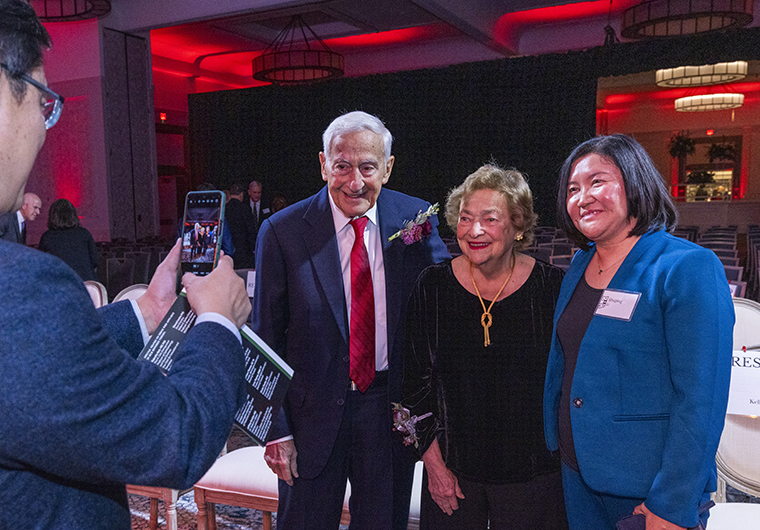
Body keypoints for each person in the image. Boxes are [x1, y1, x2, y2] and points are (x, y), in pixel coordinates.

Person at [0, 2, 252, 528]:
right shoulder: (21, 289)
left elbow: (40, 367)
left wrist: (152, 306)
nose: (46, 130)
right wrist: (218, 321)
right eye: (45, 103)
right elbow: (177, 437)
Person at [253, 110, 450, 530]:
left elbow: (444, 301)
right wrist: (275, 429)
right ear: (323, 164)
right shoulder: (282, 232)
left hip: (388, 408)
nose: (354, 182)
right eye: (342, 166)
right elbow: (265, 338)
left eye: (367, 167)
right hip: (310, 414)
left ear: (388, 167)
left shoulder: (414, 219)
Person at [543, 134, 734, 530]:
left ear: (635, 182)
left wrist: (673, 504)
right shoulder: (579, 266)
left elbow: (702, 399)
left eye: (598, 182)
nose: (583, 197)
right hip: (576, 474)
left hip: (647, 492)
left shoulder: (686, 267)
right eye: (573, 189)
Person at [400, 164, 567, 530]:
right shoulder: (432, 287)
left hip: (535, 477)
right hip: (453, 474)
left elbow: (569, 385)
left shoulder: (553, 287)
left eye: (490, 219)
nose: (474, 230)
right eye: (465, 218)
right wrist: (435, 468)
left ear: (518, 226)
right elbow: (410, 388)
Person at [38, 198, 99, 280]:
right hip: (85, 284)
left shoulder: (47, 237)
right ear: (73, 214)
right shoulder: (84, 234)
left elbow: (42, 265)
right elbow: (95, 261)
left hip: (59, 284)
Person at [226, 182, 257, 269]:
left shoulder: (224, 209)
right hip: (244, 252)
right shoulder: (245, 208)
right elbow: (251, 230)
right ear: (241, 194)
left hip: (228, 252)